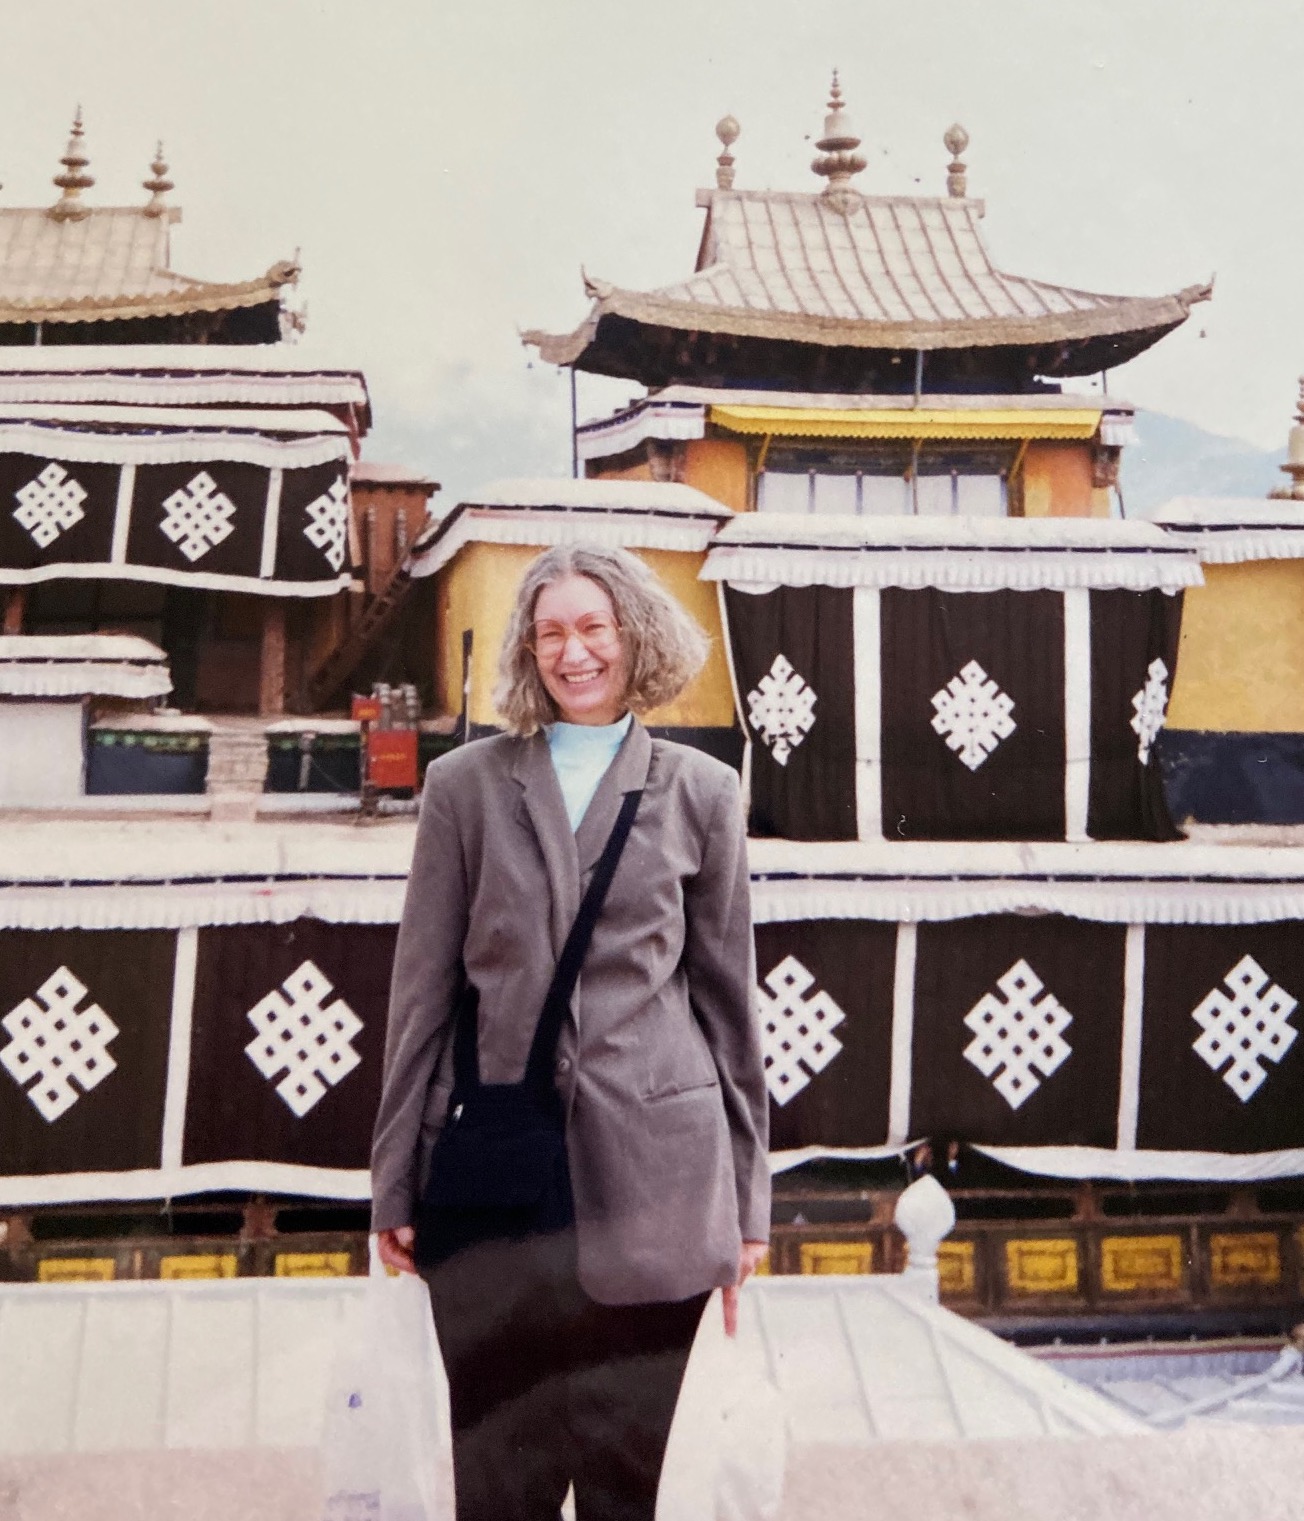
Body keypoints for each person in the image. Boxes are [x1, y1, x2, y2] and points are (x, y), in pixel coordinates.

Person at [371, 543, 770, 1521]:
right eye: (550, 631)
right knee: (498, 1487)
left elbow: (727, 1005)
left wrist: (746, 1203)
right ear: (526, 648)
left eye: (593, 627)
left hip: (659, 1186)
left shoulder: (702, 792)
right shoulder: (465, 787)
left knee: (620, 1490)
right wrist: (393, 1181)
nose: (572, 651)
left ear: (634, 637)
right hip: (497, 1178)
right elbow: (420, 995)